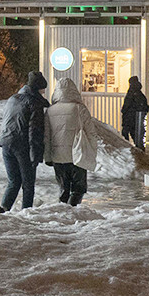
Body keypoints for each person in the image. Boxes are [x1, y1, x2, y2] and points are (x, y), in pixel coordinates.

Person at [0, 70, 50, 212]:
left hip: (6, 143)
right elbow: (35, 131)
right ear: (38, 88)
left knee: (13, 181)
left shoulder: (13, 98)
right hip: (22, 146)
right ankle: (25, 212)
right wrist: (36, 153)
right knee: (28, 184)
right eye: (42, 89)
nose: (43, 92)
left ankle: (3, 209)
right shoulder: (34, 103)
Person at [44, 77, 99, 206]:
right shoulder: (80, 109)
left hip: (57, 157)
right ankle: (72, 213)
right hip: (77, 155)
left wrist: (48, 156)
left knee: (64, 189)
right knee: (78, 189)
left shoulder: (50, 111)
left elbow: (46, 137)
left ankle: (63, 213)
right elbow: (91, 133)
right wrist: (92, 151)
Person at [121, 75, 149, 151]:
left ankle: (126, 148)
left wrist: (123, 111)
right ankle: (139, 148)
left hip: (129, 116)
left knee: (125, 132)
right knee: (136, 133)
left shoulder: (131, 92)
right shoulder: (139, 93)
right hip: (136, 117)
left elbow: (127, 103)